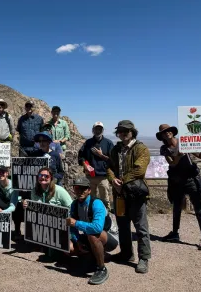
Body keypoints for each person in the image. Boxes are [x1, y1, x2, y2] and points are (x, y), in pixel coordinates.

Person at [157, 124, 201, 251]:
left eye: (168, 131)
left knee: (198, 207)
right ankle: (175, 233)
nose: (167, 133)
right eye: (164, 132)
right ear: (161, 136)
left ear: (172, 132)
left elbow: (200, 155)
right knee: (177, 207)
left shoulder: (185, 142)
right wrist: (179, 154)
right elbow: (172, 163)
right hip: (176, 181)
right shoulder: (164, 148)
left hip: (190, 179)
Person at [106, 120, 151, 274]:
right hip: (119, 194)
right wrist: (113, 180)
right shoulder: (115, 149)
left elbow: (139, 169)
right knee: (123, 226)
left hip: (135, 194)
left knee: (141, 227)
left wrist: (121, 181)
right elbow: (109, 167)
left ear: (133, 132)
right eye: (120, 131)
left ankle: (143, 259)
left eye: (126, 130)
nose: (123, 133)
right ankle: (127, 254)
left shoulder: (141, 148)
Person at [67, 177, 119, 285]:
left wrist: (76, 223)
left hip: (109, 237)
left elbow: (97, 228)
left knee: (93, 235)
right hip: (90, 235)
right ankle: (95, 256)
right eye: (77, 188)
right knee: (68, 247)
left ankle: (101, 269)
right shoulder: (74, 204)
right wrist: (77, 242)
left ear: (89, 190)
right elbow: (71, 227)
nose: (80, 191)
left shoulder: (97, 203)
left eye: (83, 188)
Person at [78, 122, 114, 210]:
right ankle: (91, 213)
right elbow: (81, 156)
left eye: (100, 129)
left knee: (104, 198)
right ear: (92, 130)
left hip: (103, 176)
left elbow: (113, 160)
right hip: (90, 176)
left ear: (103, 130)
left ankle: (106, 215)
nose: (98, 131)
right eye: (96, 129)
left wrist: (102, 155)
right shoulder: (88, 143)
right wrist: (84, 165)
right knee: (90, 197)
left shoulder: (108, 143)